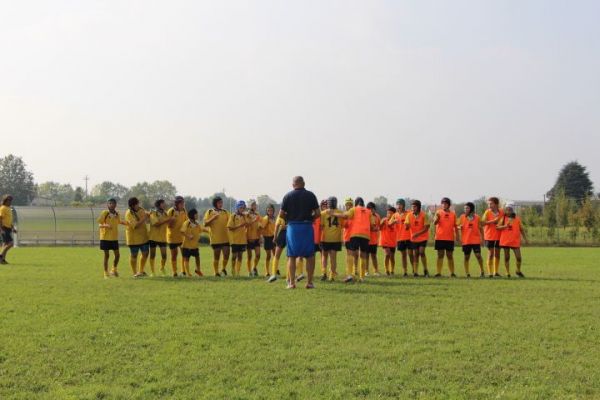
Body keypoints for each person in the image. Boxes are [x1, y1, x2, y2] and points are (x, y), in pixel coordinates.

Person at [279, 176, 320, 289]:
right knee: (310, 255)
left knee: (292, 255)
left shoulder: (288, 196)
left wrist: (290, 218)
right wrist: (310, 218)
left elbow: (281, 214)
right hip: (307, 227)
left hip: (293, 228)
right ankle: (310, 282)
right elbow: (318, 213)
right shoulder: (311, 195)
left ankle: (292, 283)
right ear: (304, 183)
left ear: (293, 184)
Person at [331, 197, 375, 283]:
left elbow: (344, 216)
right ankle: (362, 277)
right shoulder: (369, 212)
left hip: (355, 234)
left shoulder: (354, 209)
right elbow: (373, 226)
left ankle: (350, 275)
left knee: (350, 253)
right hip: (366, 235)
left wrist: (334, 214)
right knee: (363, 255)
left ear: (355, 203)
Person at [97, 198, 126, 278]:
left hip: (114, 238)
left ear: (115, 205)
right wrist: (105, 225)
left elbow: (119, 222)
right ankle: (105, 273)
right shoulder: (105, 213)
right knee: (107, 255)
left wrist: (127, 223)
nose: (112, 205)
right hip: (105, 237)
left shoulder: (117, 214)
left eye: (113, 203)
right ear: (108, 204)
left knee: (117, 255)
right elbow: (99, 224)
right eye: (110, 203)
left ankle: (113, 269)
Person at [497, 203, 528, 278]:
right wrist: (505, 226)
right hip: (505, 241)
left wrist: (525, 239)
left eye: (510, 210)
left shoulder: (517, 219)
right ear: (505, 210)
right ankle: (507, 272)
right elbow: (497, 227)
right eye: (507, 209)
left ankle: (518, 271)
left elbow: (521, 229)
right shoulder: (503, 218)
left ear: (512, 210)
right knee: (507, 257)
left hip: (515, 241)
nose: (508, 211)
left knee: (519, 258)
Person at [203, 196, 231, 277]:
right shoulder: (210, 211)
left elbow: (230, 221)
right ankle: (216, 272)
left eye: (221, 202)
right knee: (217, 256)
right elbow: (205, 224)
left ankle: (223, 269)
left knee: (226, 254)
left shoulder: (225, 212)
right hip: (215, 238)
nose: (221, 204)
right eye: (219, 203)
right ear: (215, 203)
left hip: (225, 238)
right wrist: (213, 218)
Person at [433, 197, 459, 278]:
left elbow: (455, 226)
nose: (444, 205)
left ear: (449, 205)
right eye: (443, 203)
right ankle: (438, 272)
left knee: (449, 255)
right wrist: (437, 218)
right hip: (439, 237)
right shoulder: (438, 212)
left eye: (445, 203)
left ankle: (452, 273)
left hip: (449, 238)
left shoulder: (453, 214)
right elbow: (434, 223)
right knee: (440, 255)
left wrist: (457, 236)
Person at [458, 202, 485, 278]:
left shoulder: (477, 217)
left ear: (471, 209)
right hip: (466, 241)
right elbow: (457, 226)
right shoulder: (462, 217)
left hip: (475, 240)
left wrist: (483, 239)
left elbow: (481, 228)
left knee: (478, 255)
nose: (465, 209)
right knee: (466, 257)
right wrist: (460, 227)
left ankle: (482, 271)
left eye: (467, 208)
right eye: (465, 208)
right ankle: (467, 273)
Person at [125, 197, 150, 277]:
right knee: (134, 255)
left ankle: (141, 271)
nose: (138, 205)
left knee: (145, 253)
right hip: (133, 238)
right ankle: (134, 273)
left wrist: (149, 215)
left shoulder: (141, 210)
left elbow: (147, 218)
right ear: (132, 205)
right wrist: (145, 218)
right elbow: (135, 225)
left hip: (143, 236)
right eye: (137, 204)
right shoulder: (129, 213)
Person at [320, 196, 343, 281]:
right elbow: (343, 225)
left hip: (325, 238)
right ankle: (332, 275)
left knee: (324, 256)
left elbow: (321, 226)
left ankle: (324, 273)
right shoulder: (340, 212)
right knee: (333, 258)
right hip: (336, 239)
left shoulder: (323, 213)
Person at [405, 200, 430, 277]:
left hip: (423, 237)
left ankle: (425, 270)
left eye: (414, 206)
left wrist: (417, 234)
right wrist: (406, 226)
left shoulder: (424, 215)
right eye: (412, 206)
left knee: (421, 252)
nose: (413, 208)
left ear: (418, 207)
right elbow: (406, 225)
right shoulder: (409, 215)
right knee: (415, 254)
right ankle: (415, 272)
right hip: (414, 238)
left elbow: (426, 228)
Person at [148, 199, 172, 276]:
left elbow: (169, 223)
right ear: (158, 205)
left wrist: (172, 220)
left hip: (162, 238)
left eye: (164, 203)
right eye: (163, 203)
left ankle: (162, 268)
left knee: (164, 256)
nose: (164, 205)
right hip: (153, 237)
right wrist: (167, 219)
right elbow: (156, 224)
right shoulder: (153, 212)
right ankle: (152, 272)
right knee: (152, 255)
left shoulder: (165, 213)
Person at [482, 197, 504, 277]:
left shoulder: (502, 212)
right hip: (489, 236)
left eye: (491, 203)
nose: (489, 205)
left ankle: (496, 272)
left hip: (499, 236)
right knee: (491, 254)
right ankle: (490, 273)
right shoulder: (487, 212)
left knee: (497, 254)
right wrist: (493, 221)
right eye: (488, 204)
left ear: (496, 204)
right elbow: (482, 223)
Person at [227, 200, 250, 277]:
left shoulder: (244, 216)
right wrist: (240, 225)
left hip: (242, 240)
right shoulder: (233, 216)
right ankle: (233, 270)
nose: (242, 209)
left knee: (240, 256)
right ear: (237, 208)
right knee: (234, 256)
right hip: (234, 240)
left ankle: (238, 272)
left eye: (243, 207)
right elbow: (229, 227)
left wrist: (247, 223)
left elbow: (247, 225)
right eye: (241, 207)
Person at [390, 199, 411, 276]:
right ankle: (405, 271)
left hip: (409, 237)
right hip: (400, 238)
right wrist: (393, 221)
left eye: (400, 204)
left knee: (411, 254)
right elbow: (389, 224)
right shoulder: (395, 215)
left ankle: (414, 270)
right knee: (403, 255)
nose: (398, 206)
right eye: (397, 204)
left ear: (403, 205)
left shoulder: (409, 213)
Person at [166, 196, 187, 277]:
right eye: (181, 203)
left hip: (182, 237)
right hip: (172, 237)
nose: (183, 205)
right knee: (174, 255)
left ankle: (183, 271)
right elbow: (168, 225)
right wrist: (172, 220)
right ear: (177, 204)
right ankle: (175, 272)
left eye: (183, 203)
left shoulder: (184, 210)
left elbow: (186, 221)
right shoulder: (171, 211)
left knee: (184, 254)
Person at [181, 208, 203, 278]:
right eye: (196, 214)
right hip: (186, 246)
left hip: (195, 246)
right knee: (186, 259)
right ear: (192, 215)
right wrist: (188, 236)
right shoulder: (187, 223)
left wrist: (208, 231)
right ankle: (188, 273)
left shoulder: (197, 223)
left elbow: (201, 230)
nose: (197, 215)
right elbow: (182, 231)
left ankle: (198, 270)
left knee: (197, 257)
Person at [266, 213, 287, 283]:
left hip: (283, 234)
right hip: (291, 233)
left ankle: (274, 275)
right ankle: (290, 276)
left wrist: (275, 237)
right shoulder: (294, 212)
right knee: (291, 256)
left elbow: (277, 226)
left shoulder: (281, 213)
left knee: (277, 255)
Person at [379, 206, 397, 276]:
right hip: (385, 241)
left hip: (392, 241)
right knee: (387, 254)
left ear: (394, 214)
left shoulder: (396, 221)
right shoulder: (384, 220)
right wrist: (381, 224)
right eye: (388, 213)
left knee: (392, 256)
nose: (388, 214)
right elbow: (379, 228)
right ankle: (387, 270)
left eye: (390, 213)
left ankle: (392, 270)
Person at [246, 200, 262, 277]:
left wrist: (260, 236)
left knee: (258, 255)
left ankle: (254, 268)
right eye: (252, 205)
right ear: (249, 206)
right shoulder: (246, 214)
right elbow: (246, 225)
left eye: (255, 205)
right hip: (248, 237)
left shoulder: (257, 214)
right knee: (249, 256)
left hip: (256, 237)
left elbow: (260, 225)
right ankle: (249, 272)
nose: (254, 206)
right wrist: (253, 220)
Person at [0, 195, 16, 265]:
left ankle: (2, 260)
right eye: (9, 200)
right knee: (11, 243)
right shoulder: (3, 208)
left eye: (11, 200)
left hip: (8, 228)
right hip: (4, 228)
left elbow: (9, 220)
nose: (10, 202)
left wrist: (13, 228)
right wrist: (1, 228)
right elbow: (0, 218)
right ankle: (0, 256)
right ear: (5, 201)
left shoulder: (9, 208)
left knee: (5, 244)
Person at [261, 204, 276, 277]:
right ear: (266, 211)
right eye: (268, 210)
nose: (270, 212)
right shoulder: (266, 218)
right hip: (267, 238)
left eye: (271, 210)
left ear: (273, 211)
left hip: (273, 237)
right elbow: (262, 227)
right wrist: (262, 237)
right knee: (268, 255)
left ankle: (275, 269)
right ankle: (267, 271)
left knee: (275, 254)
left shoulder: (274, 218)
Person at [365, 202, 381, 276]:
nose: (371, 210)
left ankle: (376, 271)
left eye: (372, 209)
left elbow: (379, 226)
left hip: (374, 240)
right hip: (366, 239)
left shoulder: (377, 216)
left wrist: (376, 228)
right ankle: (366, 271)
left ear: (375, 209)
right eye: (369, 209)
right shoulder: (365, 216)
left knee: (374, 256)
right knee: (366, 256)